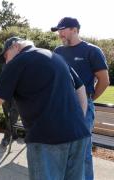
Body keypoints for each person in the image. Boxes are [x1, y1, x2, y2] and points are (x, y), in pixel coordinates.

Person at [0, 37, 91, 180]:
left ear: (15, 47)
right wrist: (80, 117)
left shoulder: (18, 62)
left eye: (6, 56)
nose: (6, 62)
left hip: (46, 138)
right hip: (79, 134)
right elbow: (81, 88)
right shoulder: (55, 57)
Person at [51, 17, 110, 180]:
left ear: (74, 29)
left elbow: (104, 81)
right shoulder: (58, 52)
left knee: (82, 153)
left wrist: (88, 98)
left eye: (62, 30)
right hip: (60, 107)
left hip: (81, 109)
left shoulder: (92, 51)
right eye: (58, 31)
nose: (59, 34)